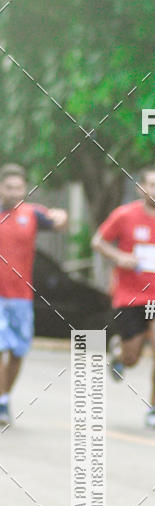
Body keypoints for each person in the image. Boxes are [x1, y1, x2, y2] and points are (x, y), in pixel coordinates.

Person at [92, 167, 155, 428]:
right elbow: (98, 241)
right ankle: (121, 356)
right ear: (140, 188)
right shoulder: (124, 215)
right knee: (133, 358)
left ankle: (154, 409)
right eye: (151, 185)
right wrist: (119, 257)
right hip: (129, 296)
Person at [0, 163, 68, 427]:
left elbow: (58, 222)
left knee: (17, 350)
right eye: (9, 187)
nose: (14, 192)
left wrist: (61, 217)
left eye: (19, 187)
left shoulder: (32, 214)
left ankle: (4, 398)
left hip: (21, 296)